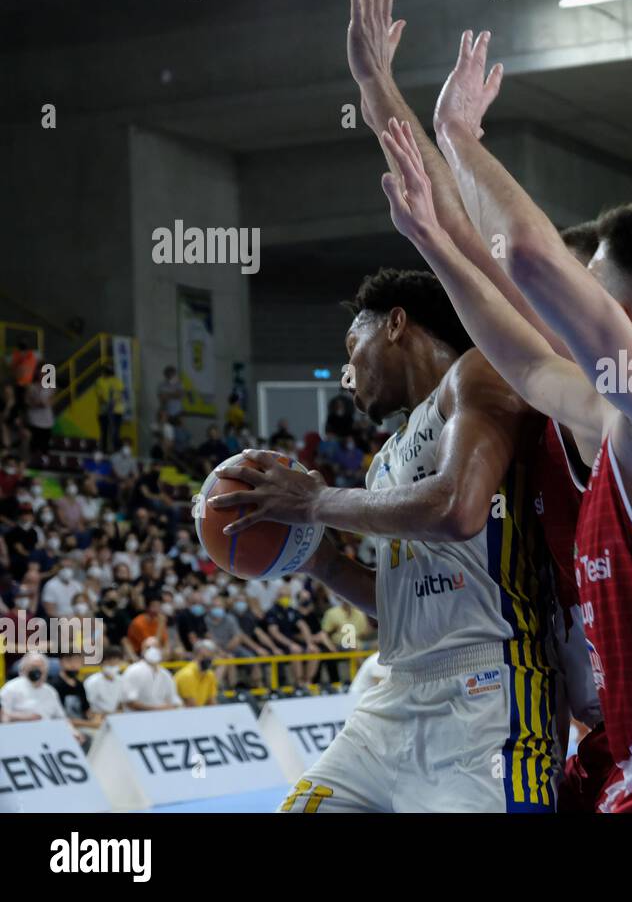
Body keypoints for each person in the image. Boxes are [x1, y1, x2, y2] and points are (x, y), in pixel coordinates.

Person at [373, 14, 632, 811]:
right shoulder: (620, 420)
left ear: (626, 307)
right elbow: (528, 362)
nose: (567, 302)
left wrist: (461, 135)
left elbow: (531, 261)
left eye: (592, 285)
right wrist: (433, 240)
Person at [208, 43, 558, 820]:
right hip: (393, 691)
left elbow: (460, 511)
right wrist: (313, 556)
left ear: (395, 324)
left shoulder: (481, 374)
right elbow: (398, 597)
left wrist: (317, 503)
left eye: (350, 350)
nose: (347, 372)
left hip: (488, 691)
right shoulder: (382, 458)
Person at [120, 636, 182, 711]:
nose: (152, 650)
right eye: (148, 647)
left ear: (161, 650)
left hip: (162, 717)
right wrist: (155, 709)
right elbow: (129, 701)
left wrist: (173, 707)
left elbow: (174, 700)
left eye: (156, 647)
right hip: (137, 718)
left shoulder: (166, 675)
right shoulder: (132, 671)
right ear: (142, 651)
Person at [83, 645, 127, 720]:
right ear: (102, 664)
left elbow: (121, 704)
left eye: (116, 662)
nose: (113, 665)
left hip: (115, 717)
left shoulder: (121, 680)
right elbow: (88, 708)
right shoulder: (92, 682)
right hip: (96, 719)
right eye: (110, 663)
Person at [174, 640, 220, 707]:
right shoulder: (187, 675)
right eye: (204, 657)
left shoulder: (210, 675)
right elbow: (191, 705)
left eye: (210, 657)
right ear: (195, 656)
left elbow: (212, 701)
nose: (208, 660)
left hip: (199, 712)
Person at [94, 366, 126, 454]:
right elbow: (100, 396)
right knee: (104, 431)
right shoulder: (100, 381)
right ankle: (104, 450)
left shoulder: (117, 381)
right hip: (104, 411)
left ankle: (116, 451)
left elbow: (121, 393)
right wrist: (108, 404)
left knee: (115, 431)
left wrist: (113, 403)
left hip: (116, 411)